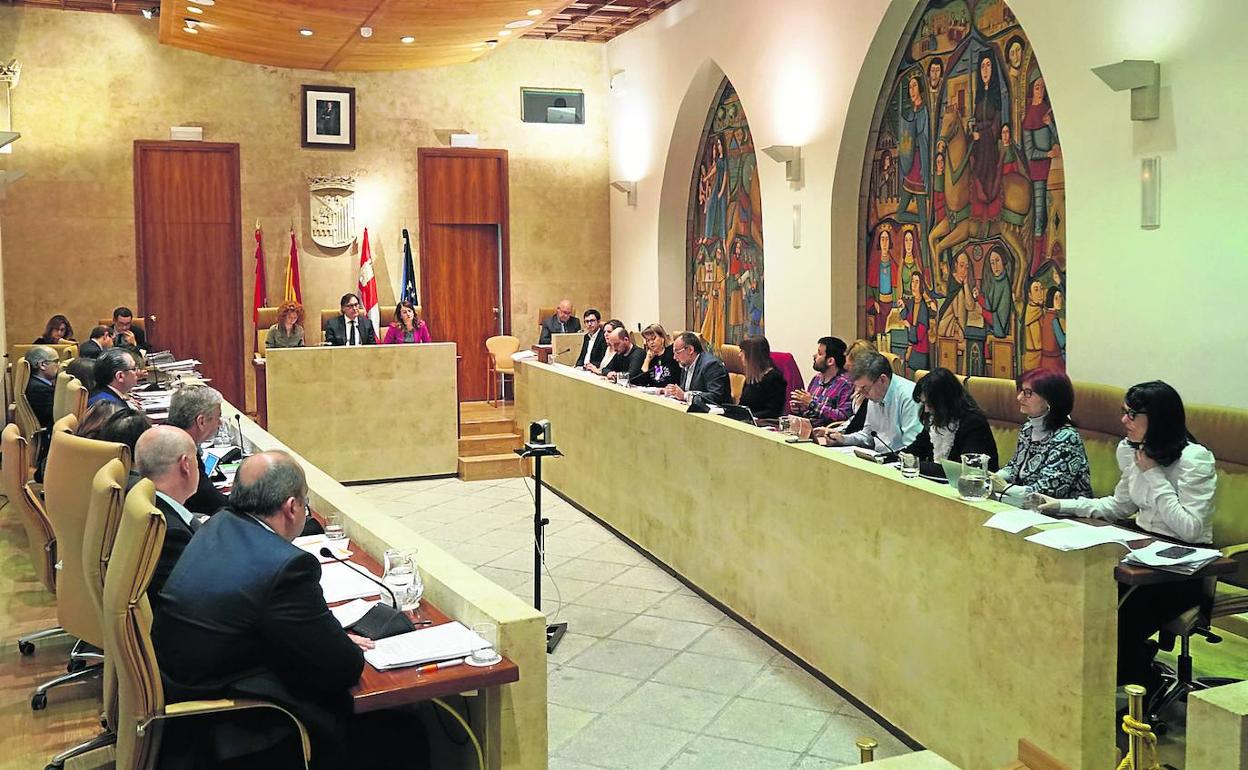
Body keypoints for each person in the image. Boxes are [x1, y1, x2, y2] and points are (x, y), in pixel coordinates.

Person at [153, 451, 424, 770]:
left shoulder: (218, 525)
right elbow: (343, 669)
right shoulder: (286, 568)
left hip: (184, 693)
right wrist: (335, 640)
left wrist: (320, 634)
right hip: (234, 724)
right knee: (405, 733)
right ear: (293, 507)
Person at [1033, 381, 1217, 693]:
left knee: (1114, 625)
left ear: (1158, 418)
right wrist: (1062, 505)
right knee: (1081, 605)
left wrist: (1153, 474)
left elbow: (1191, 528)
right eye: (1123, 412)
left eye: (1132, 414)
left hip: (1183, 566)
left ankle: (1143, 684)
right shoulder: (1131, 451)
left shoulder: (1194, 459)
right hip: (1141, 554)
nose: (1124, 421)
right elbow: (1118, 505)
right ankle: (1117, 675)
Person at [992, 369, 1092, 499]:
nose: (1019, 398)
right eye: (1021, 391)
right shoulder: (1028, 429)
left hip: (1064, 513)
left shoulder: (1067, 438)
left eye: (1028, 393)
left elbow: (1049, 490)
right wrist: (993, 478)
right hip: (1024, 504)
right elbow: (1015, 467)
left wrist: (1005, 488)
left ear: (1050, 399)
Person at [134, 426, 202, 607]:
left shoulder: (137, 500)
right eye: (197, 459)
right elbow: (190, 601)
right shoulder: (170, 532)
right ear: (185, 465)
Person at [817, 351, 922, 453]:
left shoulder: (909, 397)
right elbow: (868, 436)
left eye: (864, 388)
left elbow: (912, 448)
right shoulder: (874, 393)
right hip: (880, 457)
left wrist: (885, 459)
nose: (862, 393)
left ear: (882, 380)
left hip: (899, 463)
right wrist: (843, 439)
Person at [902, 368, 998, 472]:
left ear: (944, 402)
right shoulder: (935, 419)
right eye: (923, 403)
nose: (926, 410)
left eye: (929, 404)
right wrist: (890, 459)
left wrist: (918, 465)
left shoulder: (974, 423)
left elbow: (962, 470)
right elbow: (916, 449)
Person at [167, 384, 230, 517]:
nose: (220, 423)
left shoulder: (166, 434)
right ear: (201, 422)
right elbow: (214, 505)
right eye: (218, 417)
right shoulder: (182, 451)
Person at [790, 337, 855, 428]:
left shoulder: (845, 384)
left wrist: (811, 404)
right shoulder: (816, 379)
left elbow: (843, 416)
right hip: (807, 427)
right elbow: (809, 409)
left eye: (820, 353)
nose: (814, 355)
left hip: (825, 432)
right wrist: (800, 407)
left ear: (830, 361)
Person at [664, 332, 731, 405]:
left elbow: (716, 396)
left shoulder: (711, 365)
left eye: (677, 352)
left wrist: (685, 396)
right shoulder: (685, 363)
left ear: (690, 350)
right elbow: (685, 390)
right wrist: (673, 391)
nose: (674, 357)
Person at [737, 336, 786, 419]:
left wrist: (749, 417)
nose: (739, 355)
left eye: (742, 351)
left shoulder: (774, 379)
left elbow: (773, 411)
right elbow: (743, 405)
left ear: (752, 355)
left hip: (762, 425)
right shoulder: (751, 377)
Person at [841, 338, 878, 434]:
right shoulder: (858, 385)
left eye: (850, 367)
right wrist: (835, 431)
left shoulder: (874, 390)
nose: (848, 373)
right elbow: (856, 418)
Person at [23, 346, 59, 431]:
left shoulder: (37, 383)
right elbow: (56, 415)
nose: (59, 365)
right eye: (56, 361)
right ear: (42, 365)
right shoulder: (39, 389)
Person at [637, 324, 679, 388]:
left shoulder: (672, 352)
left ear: (662, 338)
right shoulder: (650, 358)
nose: (651, 342)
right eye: (648, 340)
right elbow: (641, 383)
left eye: (653, 338)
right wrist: (647, 361)